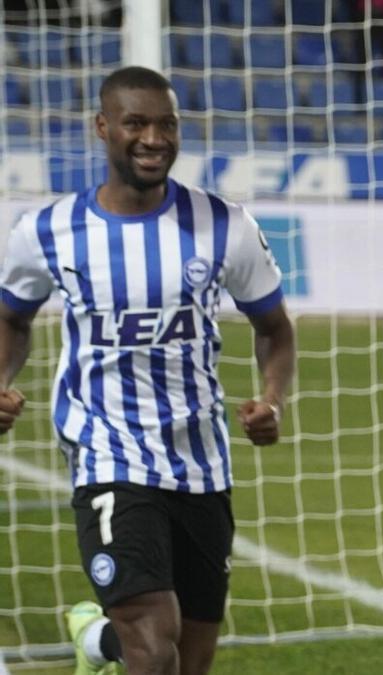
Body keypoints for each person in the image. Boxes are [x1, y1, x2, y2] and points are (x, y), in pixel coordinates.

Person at [0, 66, 296, 675]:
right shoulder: (47, 232)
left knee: (189, 657)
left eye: (167, 125)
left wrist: (272, 399)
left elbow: (275, 329)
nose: (153, 139)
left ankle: (97, 644)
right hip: (106, 453)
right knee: (153, 641)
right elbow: (12, 318)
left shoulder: (225, 226)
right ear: (103, 127)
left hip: (201, 462)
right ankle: (118, 642)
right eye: (136, 123)